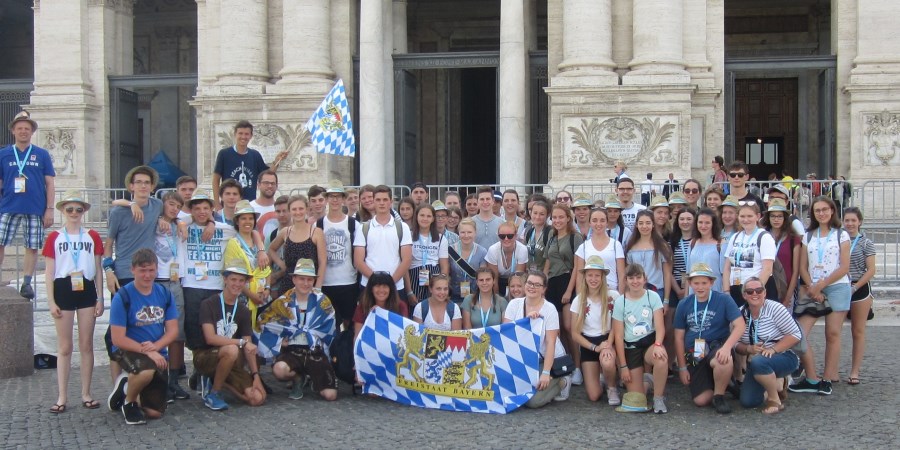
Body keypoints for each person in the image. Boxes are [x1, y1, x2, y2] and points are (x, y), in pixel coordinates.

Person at [42, 191, 104, 413]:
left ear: (84, 211)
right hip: (63, 287)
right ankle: (62, 396)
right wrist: (51, 301)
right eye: (70, 209)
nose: (74, 213)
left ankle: (86, 393)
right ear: (62, 211)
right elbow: (49, 272)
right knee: (65, 346)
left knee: (86, 344)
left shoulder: (93, 236)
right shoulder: (55, 237)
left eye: (79, 209)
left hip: (86, 287)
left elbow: (97, 269)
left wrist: (100, 297)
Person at [106, 248, 179, 425]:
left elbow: (173, 331)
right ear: (133, 270)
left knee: (154, 413)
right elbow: (117, 339)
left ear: (156, 270)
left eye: (151, 270)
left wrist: (155, 347)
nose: (147, 275)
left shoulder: (165, 294)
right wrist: (147, 351)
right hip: (128, 348)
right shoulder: (122, 296)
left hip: (154, 349)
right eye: (142, 270)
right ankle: (129, 402)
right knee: (146, 370)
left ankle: (126, 385)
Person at [789, 196, 851, 396]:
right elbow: (802, 267)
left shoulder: (842, 235)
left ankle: (827, 377)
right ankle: (811, 376)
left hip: (836, 287)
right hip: (812, 287)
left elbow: (844, 266)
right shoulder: (808, 236)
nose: (822, 213)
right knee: (798, 334)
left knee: (832, 334)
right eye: (818, 210)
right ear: (813, 214)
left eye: (825, 209)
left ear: (832, 211)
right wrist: (812, 286)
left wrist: (822, 285)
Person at [258, 259, 338, 401]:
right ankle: (297, 378)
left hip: (315, 351)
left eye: (309, 279)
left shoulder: (323, 301)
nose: (305, 283)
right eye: (302, 279)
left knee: (330, 395)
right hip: (292, 351)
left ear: (314, 281)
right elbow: (265, 322)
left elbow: (330, 328)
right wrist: (280, 341)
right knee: (279, 370)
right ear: (294, 279)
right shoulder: (283, 301)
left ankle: (313, 378)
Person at [673, 263, 745, 414]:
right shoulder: (683, 304)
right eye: (696, 283)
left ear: (711, 283)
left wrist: (726, 347)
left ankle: (719, 396)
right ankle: (726, 383)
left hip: (716, 346)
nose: (700, 287)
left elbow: (740, 325)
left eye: (704, 283)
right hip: (694, 352)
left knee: (723, 361)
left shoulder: (724, 300)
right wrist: (682, 367)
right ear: (690, 283)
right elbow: (678, 338)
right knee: (701, 401)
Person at [194, 263, 266, 410]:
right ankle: (214, 393)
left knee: (257, 398)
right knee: (232, 349)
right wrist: (241, 342)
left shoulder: (243, 311)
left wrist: (256, 376)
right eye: (233, 279)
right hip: (206, 356)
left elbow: (249, 345)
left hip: (231, 362)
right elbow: (210, 338)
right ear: (225, 280)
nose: (237, 284)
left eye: (241, 281)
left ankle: (219, 383)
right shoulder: (208, 304)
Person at [0, 111, 55, 298]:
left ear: (32, 132)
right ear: (13, 131)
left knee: (32, 245)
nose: (23, 131)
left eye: (27, 129)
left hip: (35, 207)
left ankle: (27, 282)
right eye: (20, 128)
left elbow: (50, 183)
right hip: (8, 205)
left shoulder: (41, 154)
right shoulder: (4, 154)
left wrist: (49, 209)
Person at [503, 270, 570, 407]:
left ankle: (561, 381)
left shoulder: (550, 309)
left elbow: (551, 342)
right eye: (529, 283)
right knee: (508, 393)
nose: (532, 287)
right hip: (525, 359)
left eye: (537, 285)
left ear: (544, 289)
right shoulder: (514, 304)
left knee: (533, 402)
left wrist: (546, 372)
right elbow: (507, 334)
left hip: (547, 359)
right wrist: (525, 321)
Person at [734, 277, 801, 414]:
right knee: (748, 402)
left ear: (764, 293)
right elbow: (735, 344)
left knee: (759, 361)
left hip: (783, 355)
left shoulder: (776, 308)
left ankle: (774, 400)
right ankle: (778, 383)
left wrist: (773, 349)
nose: (755, 294)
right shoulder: (740, 313)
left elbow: (795, 335)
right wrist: (748, 349)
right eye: (750, 291)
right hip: (756, 360)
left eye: (759, 290)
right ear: (744, 295)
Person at [612, 264, 668, 414]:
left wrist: (658, 344)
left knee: (661, 358)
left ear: (644, 279)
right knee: (637, 398)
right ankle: (648, 381)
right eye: (631, 278)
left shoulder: (653, 296)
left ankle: (658, 398)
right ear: (626, 280)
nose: (635, 281)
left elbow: (660, 327)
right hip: (631, 347)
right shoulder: (620, 302)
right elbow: (618, 336)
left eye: (638, 277)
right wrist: (622, 366)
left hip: (650, 342)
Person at [153, 191, 191, 401]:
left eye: (178, 205)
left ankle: (173, 380)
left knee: (177, 334)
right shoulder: (153, 222)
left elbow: (206, 215)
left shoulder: (181, 224)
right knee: (157, 332)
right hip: (157, 281)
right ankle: (158, 379)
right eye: (170, 204)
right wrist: (159, 218)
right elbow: (123, 203)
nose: (174, 208)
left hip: (176, 281)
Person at [543, 204, 584, 384]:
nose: (557, 221)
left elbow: (577, 266)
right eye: (555, 218)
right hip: (551, 283)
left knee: (569, 327)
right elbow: (547, 262)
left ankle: (577, 366)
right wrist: (542, 284)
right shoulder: (551, 236)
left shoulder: (576, 237)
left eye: (561, 217)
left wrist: (569, 290)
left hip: (568, 282)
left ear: (568, 218)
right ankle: (563, 364)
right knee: (556, 328)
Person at [570, 256, 620, 405]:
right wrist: (594, 347)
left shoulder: (614, 296)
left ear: (603, 277)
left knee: (607, 361)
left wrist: (607, 344)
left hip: (607, 338)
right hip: (588, 343)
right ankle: (601, 378)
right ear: (585, 277)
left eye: (597, 275)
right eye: (590, 275)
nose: (593, 279)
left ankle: (612, 387)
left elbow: (617, 325)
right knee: (594, 395)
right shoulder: (578, 300)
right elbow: (574, 333)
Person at [353, 185, 413, 304]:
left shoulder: (402, 227)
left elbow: (406, 260)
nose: (381, 203)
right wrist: (377, 282)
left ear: (391, 202)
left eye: (385, 200)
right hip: (369, 286)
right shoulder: (363, 228)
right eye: (378, 200)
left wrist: (390, 282)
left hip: (396, 286)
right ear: (374, 201)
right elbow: (358, 261)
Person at [222, 200, 272, 328]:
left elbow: (267, 269)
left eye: (251, 218)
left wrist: (267, 288)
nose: (248, 221)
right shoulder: (233, 244)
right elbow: (232, 275)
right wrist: (252, 296)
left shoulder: (258, 242)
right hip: (243, 298)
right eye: (243, 218)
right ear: (237, 221)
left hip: (263, 297)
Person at [317, 181, 360, 327]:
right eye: (331, 196)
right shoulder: (318, 224)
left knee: (348, 323)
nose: (335, 200)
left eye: (338, 196)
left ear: (343, 199)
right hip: (326, 282)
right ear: (327, 199)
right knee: (327, 323)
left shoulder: (354, 224)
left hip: (348, 281)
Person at [212, 120, 285, 202]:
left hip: (249, 204)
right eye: (240, 133)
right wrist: (216, 203)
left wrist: (277, 161)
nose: (243, 137)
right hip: (229, 204)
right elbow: (215, 179)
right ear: (235, 134)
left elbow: (267, 174)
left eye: (246, 134)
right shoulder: (224, 154)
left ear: (251, 136)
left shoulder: (255, 155)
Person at [842, 207, 875, 385]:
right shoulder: (838, 240)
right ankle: (831, 370)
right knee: (833, 331)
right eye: (847, 220)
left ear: (859, 222)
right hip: (840, 286)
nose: (850, 224)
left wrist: (855, 287)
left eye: (853, 220)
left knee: (858, 331)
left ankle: (855, 371)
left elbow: (871, 270)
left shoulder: (866, 243)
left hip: (859, 288)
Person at [269, 195, 327, 294]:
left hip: (309, 285)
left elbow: (323, 262)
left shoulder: (316, 232)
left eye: (301, 209)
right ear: (290, 211)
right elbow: (271, 249)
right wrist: (282, 265)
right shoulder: (285, 232)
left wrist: (317, 287)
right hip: (288, 285)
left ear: (307, 209)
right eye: (294, 209)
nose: (298, 212)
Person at [722, 202, 776, 308]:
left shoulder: (764, 237)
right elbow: (727, 268)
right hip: (736, 289)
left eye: (749, 216)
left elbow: (767, 269)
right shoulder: (735, 237)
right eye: (742, 216)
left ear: (758, 216)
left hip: (757, 291)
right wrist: (726, 291)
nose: (746, 220)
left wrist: (755, 291)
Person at [406, 203, 449, 304]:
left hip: (435, 277)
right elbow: (405, 267)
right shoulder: (408, 236)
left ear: (433, 218)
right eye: (422, 215)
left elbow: (444, 267)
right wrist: (409, 292)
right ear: (416, 217)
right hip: (414, 276)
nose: (425, 218)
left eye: (429, 216)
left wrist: (441, 286)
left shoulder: (441, 238)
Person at [574, 207, 626, 292]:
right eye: (594, 220)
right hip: (590, 294)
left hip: (611, 292)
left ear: (607, 223)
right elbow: (580, 277)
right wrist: (580, 299)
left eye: (602, 220)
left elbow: (621, 275)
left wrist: (621, 298)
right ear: (589, 223)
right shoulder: (583, 247)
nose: (598, 224)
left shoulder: (616, 245)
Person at [625, 210, 672, 302]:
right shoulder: (631, 247)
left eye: (648, 223)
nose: (644, 226)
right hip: (636, 291)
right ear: (636, 225)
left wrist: (666, 300)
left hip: (657, 292)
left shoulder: (662, 246)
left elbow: (667, 274)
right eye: (641, 223)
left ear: (653, 225)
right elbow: (628, 273)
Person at [762, 199, 800, 307]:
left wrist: (788, 296)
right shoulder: (761, 236)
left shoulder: (793, 239)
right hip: (765, 288)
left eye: (779, 216)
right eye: (773, 216)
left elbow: (795, 271)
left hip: (785, 289)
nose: (776, 219)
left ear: (785, 218)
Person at [352, 271, 410, 339]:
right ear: (371, 289)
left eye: (385, 286)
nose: (381, 290)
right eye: (377, 286)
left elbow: (403, 332)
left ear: (390, 289)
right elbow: (358, 337)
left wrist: (382, 315)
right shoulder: (362, 307)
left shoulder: (401, 306)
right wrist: (371, 317)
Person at [448, 218, 487, 304]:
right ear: (458, 233)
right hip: (454, 296)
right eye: (463, 232)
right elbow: (447, 274)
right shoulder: (450, 250)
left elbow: (482, 276)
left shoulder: (482, 251)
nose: (466, 235)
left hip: (475, 296)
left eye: (469, 232)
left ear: (475, 233)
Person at [486, 221, 528, 296]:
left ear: (516, 236)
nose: (506, 239)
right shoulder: (492, 250)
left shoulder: (522, 249)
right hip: (499, 281)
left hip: (516, 282)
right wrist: (498, 301)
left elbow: (518, 279)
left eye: (510, 236)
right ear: (498, 236)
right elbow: (494, 280)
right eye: (502, 236)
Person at [688, 208, 724, 294]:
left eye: (707, 223)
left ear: (713, 224)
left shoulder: (721, 244)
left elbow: (724, 273)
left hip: (715, 291)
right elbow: (688, 273)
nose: (703, 226)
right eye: (700, 222)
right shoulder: (692, 243)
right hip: (694, 292)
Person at [521, 200, 550, 271]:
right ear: (531, 213)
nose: (537, 217)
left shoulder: (550, 232)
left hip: (543, 276)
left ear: (547, 215)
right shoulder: (529, 231)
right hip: (530, 275)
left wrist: (544, 276)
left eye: (542, 214)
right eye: (535, 213)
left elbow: (549, 258)